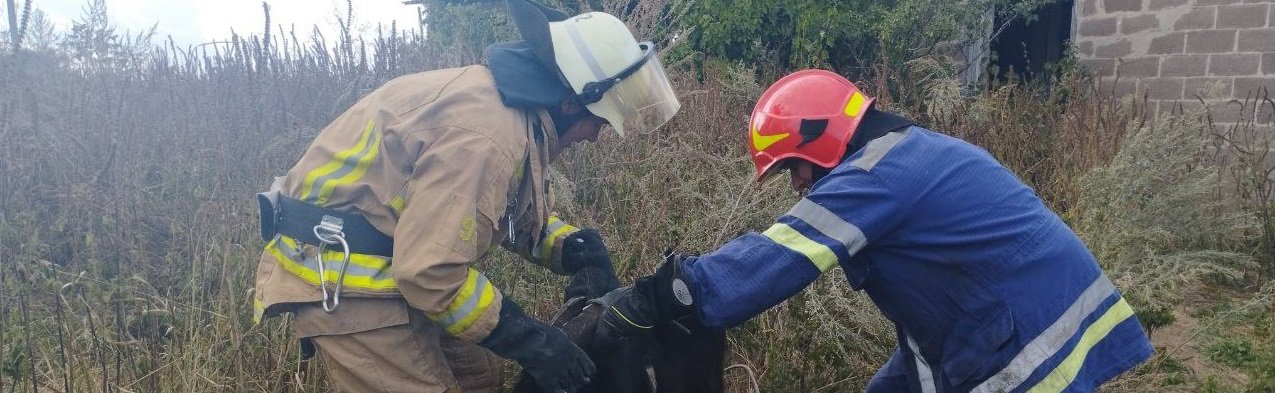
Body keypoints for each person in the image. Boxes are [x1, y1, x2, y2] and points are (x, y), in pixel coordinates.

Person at [597, 69, 1154, 392]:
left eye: (793, 166)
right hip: (994, 314)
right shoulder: (904, 157)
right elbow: (931, 313)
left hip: (1028, 335)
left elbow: (783, 253)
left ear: (820, 138)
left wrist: (667, 291)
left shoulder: (879, 175)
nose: (796, 184)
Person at [250, 0, 680, 391]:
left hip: (392, 265)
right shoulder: (488, 136)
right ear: (571, 103)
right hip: (349, 282)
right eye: (599, 124)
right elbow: (430, 271)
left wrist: (572, 249)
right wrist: (532, 340)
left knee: (480, 379)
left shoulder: (514, 114)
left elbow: (493, 211)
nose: (594, 138)